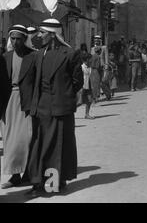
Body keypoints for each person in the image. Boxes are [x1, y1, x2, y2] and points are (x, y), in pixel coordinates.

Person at [26, 19, 83, 197]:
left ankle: (57, 182)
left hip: (60, 108)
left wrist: (62, 96)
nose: (39, 35)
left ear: (52, 35)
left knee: (59, 146)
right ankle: (37, 183)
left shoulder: (70, 54)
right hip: (40, 108)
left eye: (42, 32)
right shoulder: (38, 54)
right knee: (38, 145)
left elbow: (77, 82)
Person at [0, 25, 36, 189]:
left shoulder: (33, 56)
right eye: (12, 38)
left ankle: (27, 173)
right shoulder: (5, 57)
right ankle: (15, 175)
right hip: (8, 103)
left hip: (26, 102)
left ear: (24, 39)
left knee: (25, 139)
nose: (15, 42)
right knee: (10, 141)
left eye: (18, 39)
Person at [81, 53, 94, 120]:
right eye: (90, 59)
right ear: (87, 59)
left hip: (89, 85)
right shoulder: (81, 67)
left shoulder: (90, 67)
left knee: (89, 100)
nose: (91, 60)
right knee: (79, 102)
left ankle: (87, 114)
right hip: (82, 86)